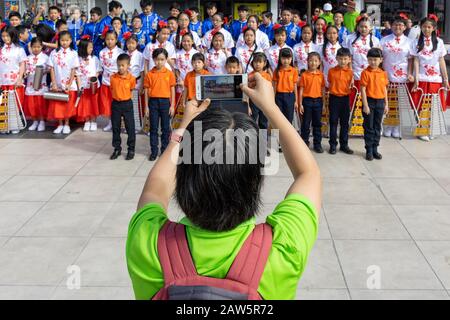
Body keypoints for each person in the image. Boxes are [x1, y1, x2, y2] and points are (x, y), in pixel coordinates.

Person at [126, 71, 321, 300]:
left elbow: (155, 187)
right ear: (255, 180)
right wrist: (270, 107)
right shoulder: (283, 247)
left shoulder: (148, 242)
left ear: (184, 177)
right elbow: (308, 173)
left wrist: (184, 128)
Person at [411, 17, 449, 142]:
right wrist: (416, 77)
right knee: (421, 105)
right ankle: (422, 129)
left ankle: (432, 128)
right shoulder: (416, 42)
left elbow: (441, 60)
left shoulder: (439, 42)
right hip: (422, 78)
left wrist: (445, 78)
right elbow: (416, 60)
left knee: (434, 105)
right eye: (424, 26)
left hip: (435, 79)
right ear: (421, 27)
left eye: (429, 27)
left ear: (434, 28)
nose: (426, 29)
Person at [380, 16, 413, 139]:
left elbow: (410, 60)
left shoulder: (409, 42)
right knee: (388, 101)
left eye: (400, 25)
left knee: (399, 103)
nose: (397, 27)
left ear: (405, 27)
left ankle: (396, 126)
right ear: (391, 25)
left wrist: (409, 73)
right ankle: (388, 125)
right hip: (387, 74)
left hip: (402, 76)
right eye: (395, 24)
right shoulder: (384, 40)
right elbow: (379, 58)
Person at [144, 48, 176, 161]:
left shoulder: (169, 74)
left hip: (165, 103)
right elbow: (147, 91)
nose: (159, 62)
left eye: (162, 59)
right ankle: (154, 151)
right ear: (153, 60)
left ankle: (164, 150)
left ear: (166, 60)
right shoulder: (149, 74)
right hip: (153, 103)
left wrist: (172, 105)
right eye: (157, 59)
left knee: (165, 128)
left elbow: (172, 90)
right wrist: (146, 106)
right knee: (153, 128)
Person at [47, 31, 81, 135]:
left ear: (71, 41)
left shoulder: (74, 53)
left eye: (67, 40)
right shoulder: (54, 53)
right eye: (62, 40)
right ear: (59, 41)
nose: (64, 42)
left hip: (68, 84)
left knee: (67, 104)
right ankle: (60, 123)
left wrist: (69, 84)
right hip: (57, 82)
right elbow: (51, 68)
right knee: (58, 104)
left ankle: (66, 124)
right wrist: (54, 83)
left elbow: (73, 70)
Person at [360, 48, 389, 161]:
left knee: (377, 126)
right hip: (370, 102)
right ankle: (369, 150)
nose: (373, 62)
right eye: (370, 59)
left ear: (381, 60)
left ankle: (375, 148)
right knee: (369, 127)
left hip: (380, 102)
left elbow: (384, 89)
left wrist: (386, 104)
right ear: (367, 60)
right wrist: (365, 105)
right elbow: (363, 89)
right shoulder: (365, 73)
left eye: (375, 59)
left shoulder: (383, 73)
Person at [343, 16, 380, 98]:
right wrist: (350, 74)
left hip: (370, 75)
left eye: (366, 27)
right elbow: (349, 58)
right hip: (355, 74)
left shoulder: (375, 40)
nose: (363, 29)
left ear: (370, 28)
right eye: (361, 26)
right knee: (355, 101)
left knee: (369, 99)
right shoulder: (349, 39)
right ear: (358, 27)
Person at [110, 53, 137, 161]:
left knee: (130, 127)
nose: (120, 68)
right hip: (116, 104)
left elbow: (131, 90)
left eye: (123, 65)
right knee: (115, 127)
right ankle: (117, 148)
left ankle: (131, 149)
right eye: (119, 65)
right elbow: (112, 89)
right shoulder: (113, 77)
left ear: (128, 65)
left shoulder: (131, 78)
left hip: (127, 104)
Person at [0, 26, 27, 134]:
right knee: (3, 103)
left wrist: (20, 78)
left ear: (13, 36)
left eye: (7, 36)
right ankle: (4, 125)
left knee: (15, 102)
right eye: (3, 36)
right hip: (2, 80)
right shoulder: (1, 49)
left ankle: (15, 125)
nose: (5, 38)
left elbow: (22, 64)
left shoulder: (19, 49)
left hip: (14, 80)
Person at [327, 48, 354, 155]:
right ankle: (333, 145)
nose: (343, 61)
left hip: (345, 99)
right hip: (334, 99)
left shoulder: (351, 73)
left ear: (349, 60)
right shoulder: (331, 71)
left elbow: (351, 85)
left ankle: (344, 145)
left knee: (344, 123)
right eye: (340, 59)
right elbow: (329, 84)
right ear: (337, 58)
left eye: (345, 59)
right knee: (333, 122)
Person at [299, 52, 325, 153]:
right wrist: (300, 103)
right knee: (305, 124)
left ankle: (317, 144)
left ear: (319, 62)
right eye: (311, 61)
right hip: (307, 102)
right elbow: (301, 90)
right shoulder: (304, 75)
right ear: (307, 62)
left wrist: (323, 103)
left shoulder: (321, 75)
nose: (313, 63)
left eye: (315, 61)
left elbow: (322, 89)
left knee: (317, 124)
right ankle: (304, 142)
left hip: (318, 102)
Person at [99, 30, 124, 132]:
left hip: (118, 81)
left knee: (118, 102)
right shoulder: (102, 52)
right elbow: (101, 67)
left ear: (116, 40)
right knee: (108, 102)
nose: (110, 41)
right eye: (108, 39)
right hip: (106, 81)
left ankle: (118, 123)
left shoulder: (120, 52)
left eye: (112, 39)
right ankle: (110, 122)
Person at [24, 37, 49, 132]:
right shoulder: (28, 58)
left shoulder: (45, 57)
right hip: (30, 84)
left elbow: (50, 69)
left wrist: (44, 71)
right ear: (31, 47)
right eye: (34, 47)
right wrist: (25, 73)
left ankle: (42, 121)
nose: (36, 49)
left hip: (41, 84)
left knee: (40, 104)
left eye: (38, 47)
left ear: (42, 47)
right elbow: (25, 69)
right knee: (31, 104)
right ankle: (35, 121)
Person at [77, 35, 101, 132]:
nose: (91, 49)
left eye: (92, 47)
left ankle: (94, 120)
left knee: (93, 103)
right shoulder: (78, 59)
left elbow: (99, 70)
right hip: (83, 85)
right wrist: (79, 86)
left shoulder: (94, 58)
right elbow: (77, 74)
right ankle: (87, 120)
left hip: (93, 85)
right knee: (85, 104)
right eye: (89, 47)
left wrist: (94, 77)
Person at [125, 34, 145, 132]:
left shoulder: (140, 55)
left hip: (136, 82)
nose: (130, 45)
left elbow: (142, 71)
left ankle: (137, 126)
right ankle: (126, 125)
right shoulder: (124, 54)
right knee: (125, 105)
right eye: (128, 43)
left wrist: (141, 85)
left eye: (133, 43)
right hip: (124, 83)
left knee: (135, 106)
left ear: (137, 44)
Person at [273, 48, 298, 125]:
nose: (286, 61)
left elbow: (295, 86)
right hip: (279, 96)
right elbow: (274, 86)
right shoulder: (277, 71)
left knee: (289, 118)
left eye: (288, 58)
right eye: (283, 58)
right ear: (280, 59)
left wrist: (296, 101)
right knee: (277, 118)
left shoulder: (294, 71)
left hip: (290, 96)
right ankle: (275, 137)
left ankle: (286, 137)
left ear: (291, 59)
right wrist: (273, 99)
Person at [174, 33, 198, 109]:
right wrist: (179, 78)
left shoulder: (197, 53)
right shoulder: (177, 54)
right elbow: (176, 68)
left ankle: (196, 121)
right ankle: (183, 121)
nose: (186, 43)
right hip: (181, 84)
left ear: (192, 42)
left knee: (193, 107)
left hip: (193, 84)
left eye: (188, 41)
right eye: (184, 41)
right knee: (181, 108)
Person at [248, 52, 271, 130]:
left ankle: (263, 141)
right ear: (252, 63)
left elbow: (270, 90)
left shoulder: (267, 76)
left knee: (263, 122)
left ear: (264, 63)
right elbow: (247, 90)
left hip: (264, 102)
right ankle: (252, 140)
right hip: (253, 102)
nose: (257, 64)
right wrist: (248, 106)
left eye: (260, 62)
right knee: (252, 121)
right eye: (255, 62)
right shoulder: (249, 75)